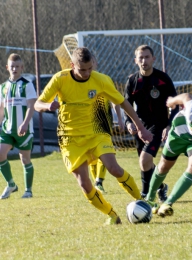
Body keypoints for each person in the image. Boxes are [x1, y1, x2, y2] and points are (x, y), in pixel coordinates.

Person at [34, 47, 153, 225]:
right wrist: (47, 106)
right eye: (82, 69)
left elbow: (123, 102)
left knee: (114, 168)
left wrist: (140, 127)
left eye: (90, 68)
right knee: (84, 183)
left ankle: (145, 202)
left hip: (96, 133)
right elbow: (38, 104)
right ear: (72, 65)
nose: (87, 73)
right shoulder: (60, 79)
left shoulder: (101, 80)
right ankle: (112, 215)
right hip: (70, 138)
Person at [124, 45, 179, 202]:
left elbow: (175, 105)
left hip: (158, 125)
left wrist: (169, 125)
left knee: (144, 160)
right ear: (136, 61)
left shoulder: (163, 79)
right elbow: (126, 105)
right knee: (145, 165)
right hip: (140, 126)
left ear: (153, 59)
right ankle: (161, 187)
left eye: (147, 57)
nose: (144, 60)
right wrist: (129, 123)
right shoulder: (132, 81)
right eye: (140, 58)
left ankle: (146, 195)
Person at [0, 53, 36, 199]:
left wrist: (25, 123)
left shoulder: (27, 85)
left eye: (17, 66)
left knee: (25, 159)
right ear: (7, 67)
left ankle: (28, 190)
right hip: (7, 130)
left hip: (24, 130)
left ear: (22, 67)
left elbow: (31, 106)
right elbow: (1, 109)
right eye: (12, 66)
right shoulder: (3, 87)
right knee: (0, 154)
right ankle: (11, 184)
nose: (14, 69)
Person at [89, 53, 125, 193]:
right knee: (91, 155)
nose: (90, 65)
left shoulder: (104, 80)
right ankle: (97, 184)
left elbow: (115, 99)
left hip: (104, 122)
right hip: (86, 124)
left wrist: (120, 119)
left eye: (92, 61)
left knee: (104, 151)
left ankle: (99, 181)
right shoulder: (78, 81)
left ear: (96, 63)